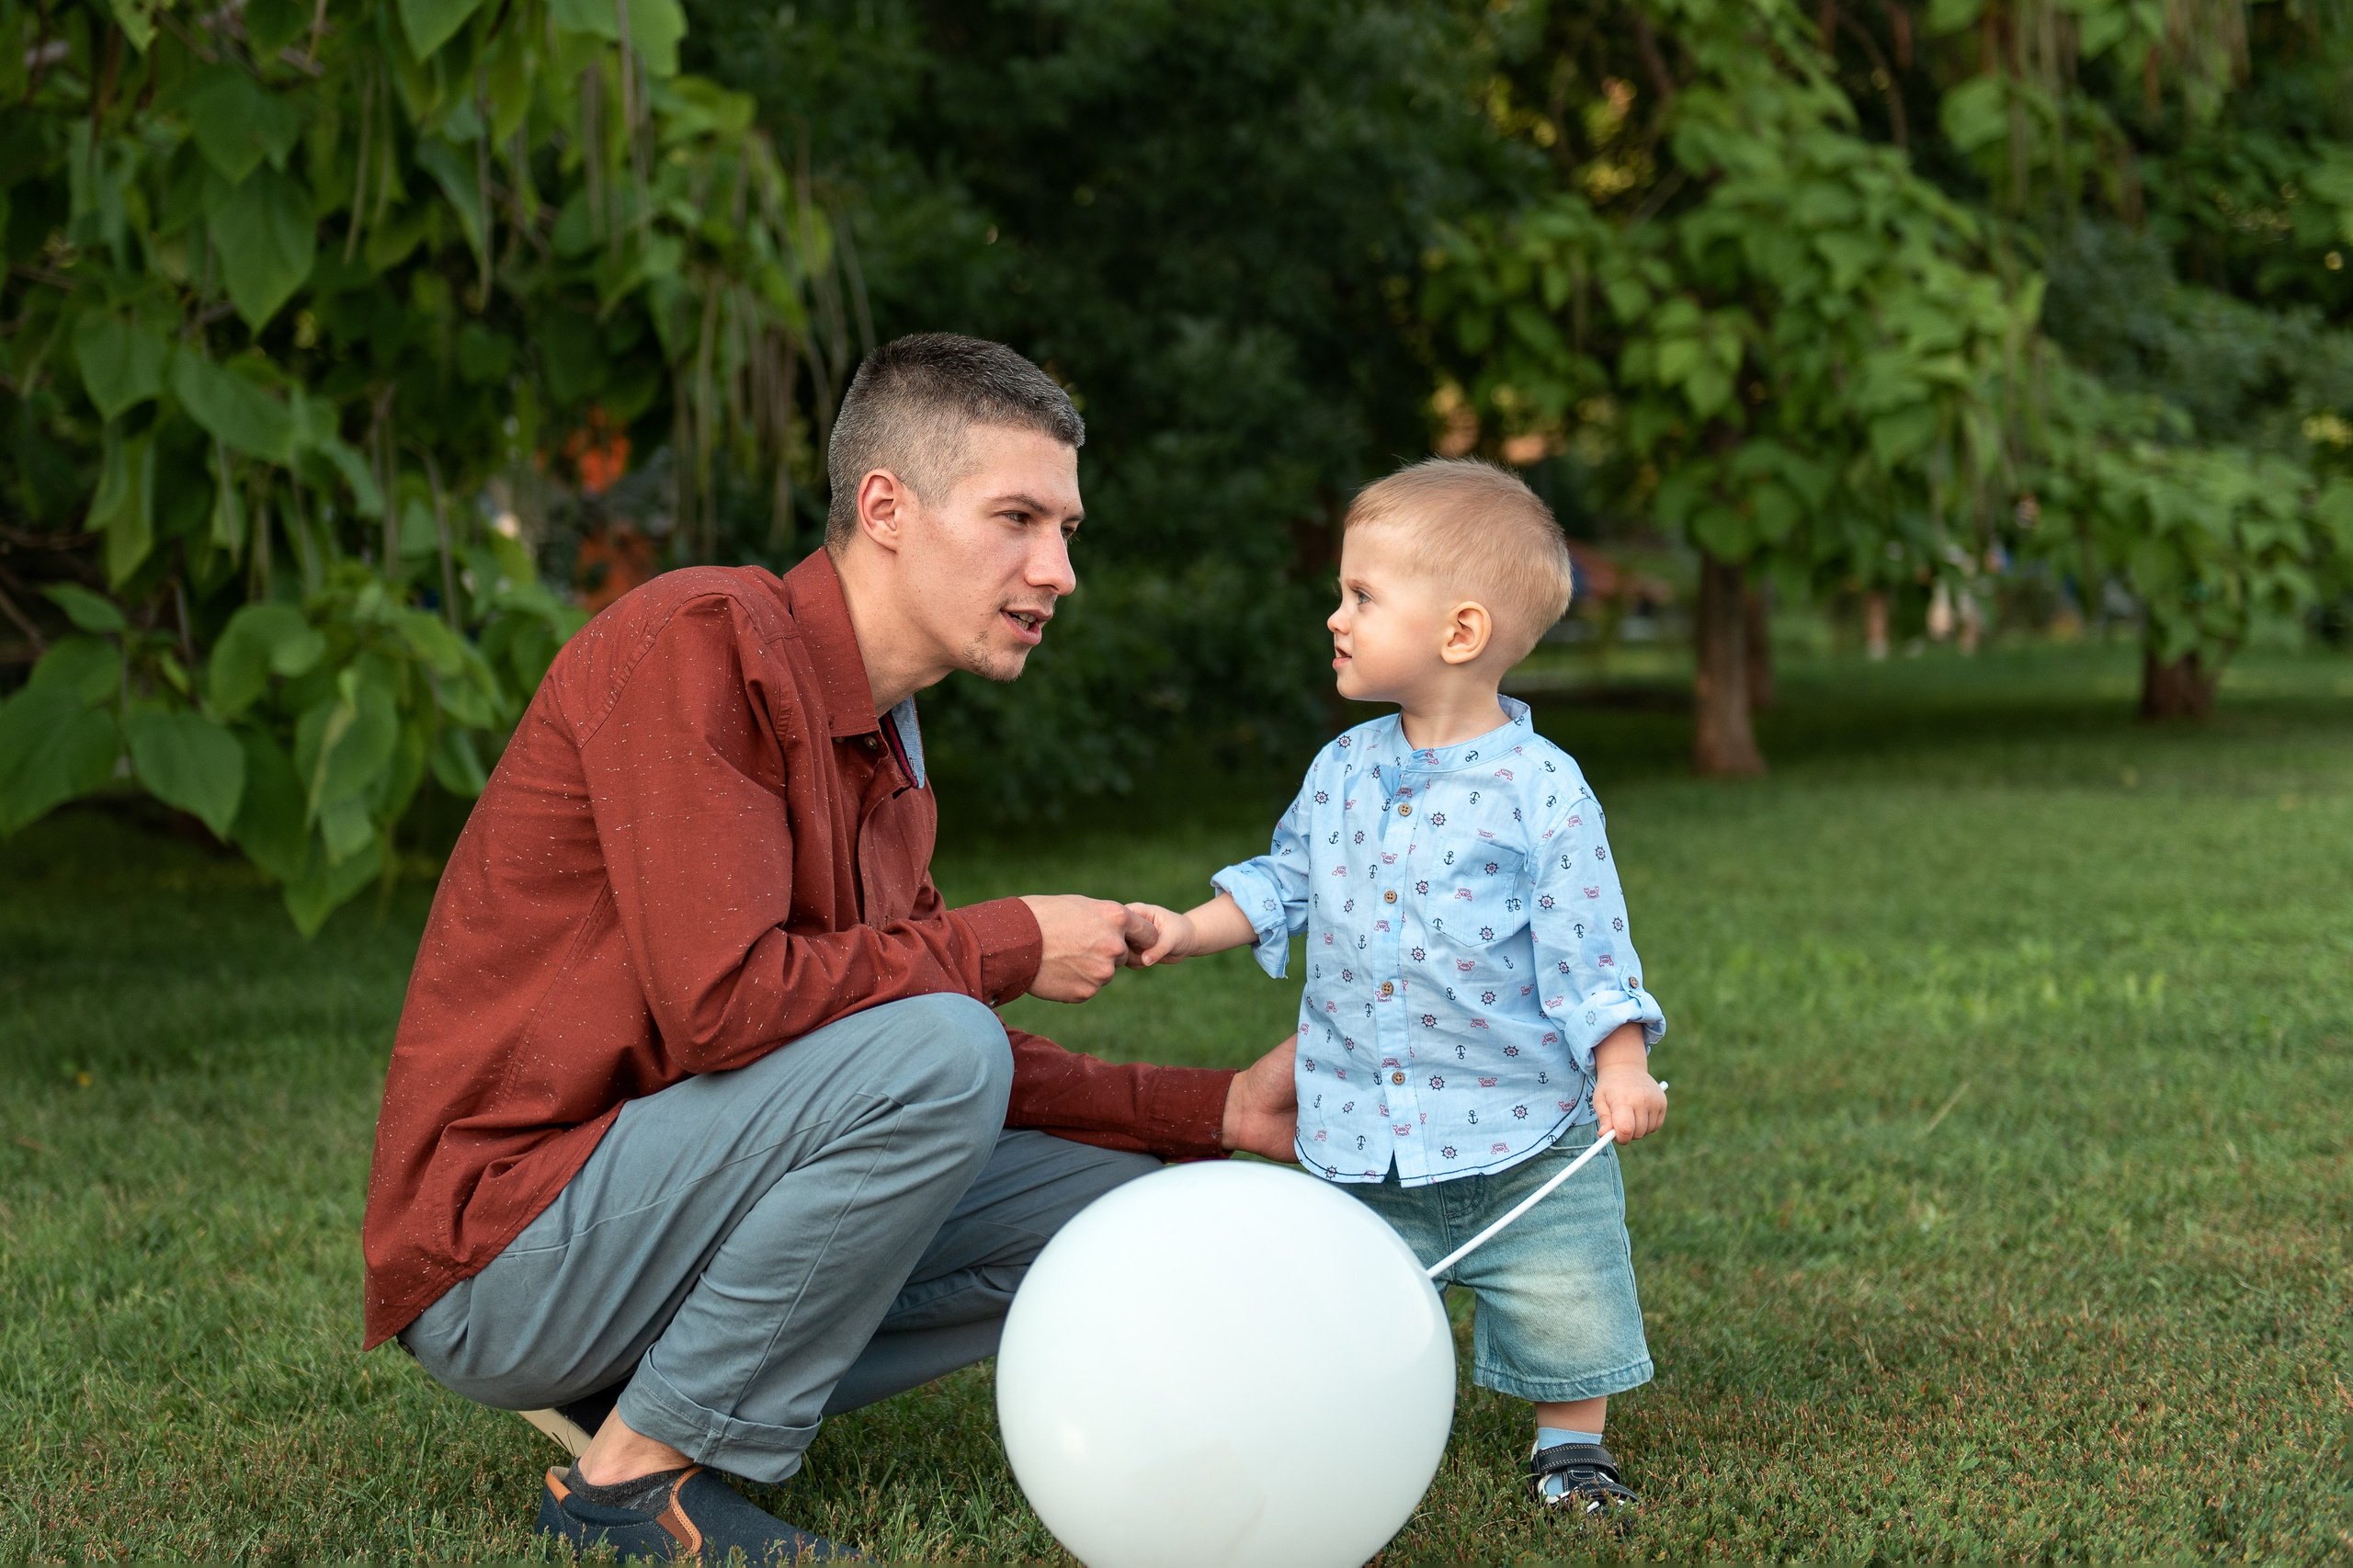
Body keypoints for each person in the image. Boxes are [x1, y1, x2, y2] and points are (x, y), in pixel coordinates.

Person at [361, 334, 1300, 1560]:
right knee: (944, 1044)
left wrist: (1212, 1108)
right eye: (1018, 517)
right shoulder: (705, 640)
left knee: (1115, 1206)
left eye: (1068, 529)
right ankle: (631, 1486)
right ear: (885, 507)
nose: (1058, 568)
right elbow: (731, 1006)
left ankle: (644, 1395)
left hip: (649, 1221)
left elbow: (889, 1059)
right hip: (503, 1252)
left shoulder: (890, 758)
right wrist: (1008, 940)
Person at [1122, 457, 1669, 1518]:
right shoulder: (1341, 770)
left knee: (1565, 1285)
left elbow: (1588, 943)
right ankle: (1336, 1423)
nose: (1335, 615)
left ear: (1459, 633)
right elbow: (1287, 879)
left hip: (1522, 1126)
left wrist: (1621, 1060)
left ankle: (1570, 1448)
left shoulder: (1540, 789)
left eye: (1361, 595)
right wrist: (1188, 927)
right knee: (1340, 1296)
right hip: (1363, 1120)